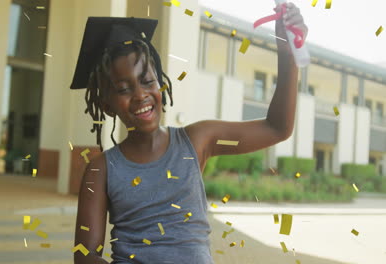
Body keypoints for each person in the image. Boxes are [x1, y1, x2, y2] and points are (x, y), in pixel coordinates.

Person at [71, 3, 308, 263]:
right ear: (107, 105)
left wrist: (288, 54)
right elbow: (85, 256)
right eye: (123, 89)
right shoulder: (101, 170)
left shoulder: (197, 141)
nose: (140, 95)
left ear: (161, 85)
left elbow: (277, 127)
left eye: (147, 81)